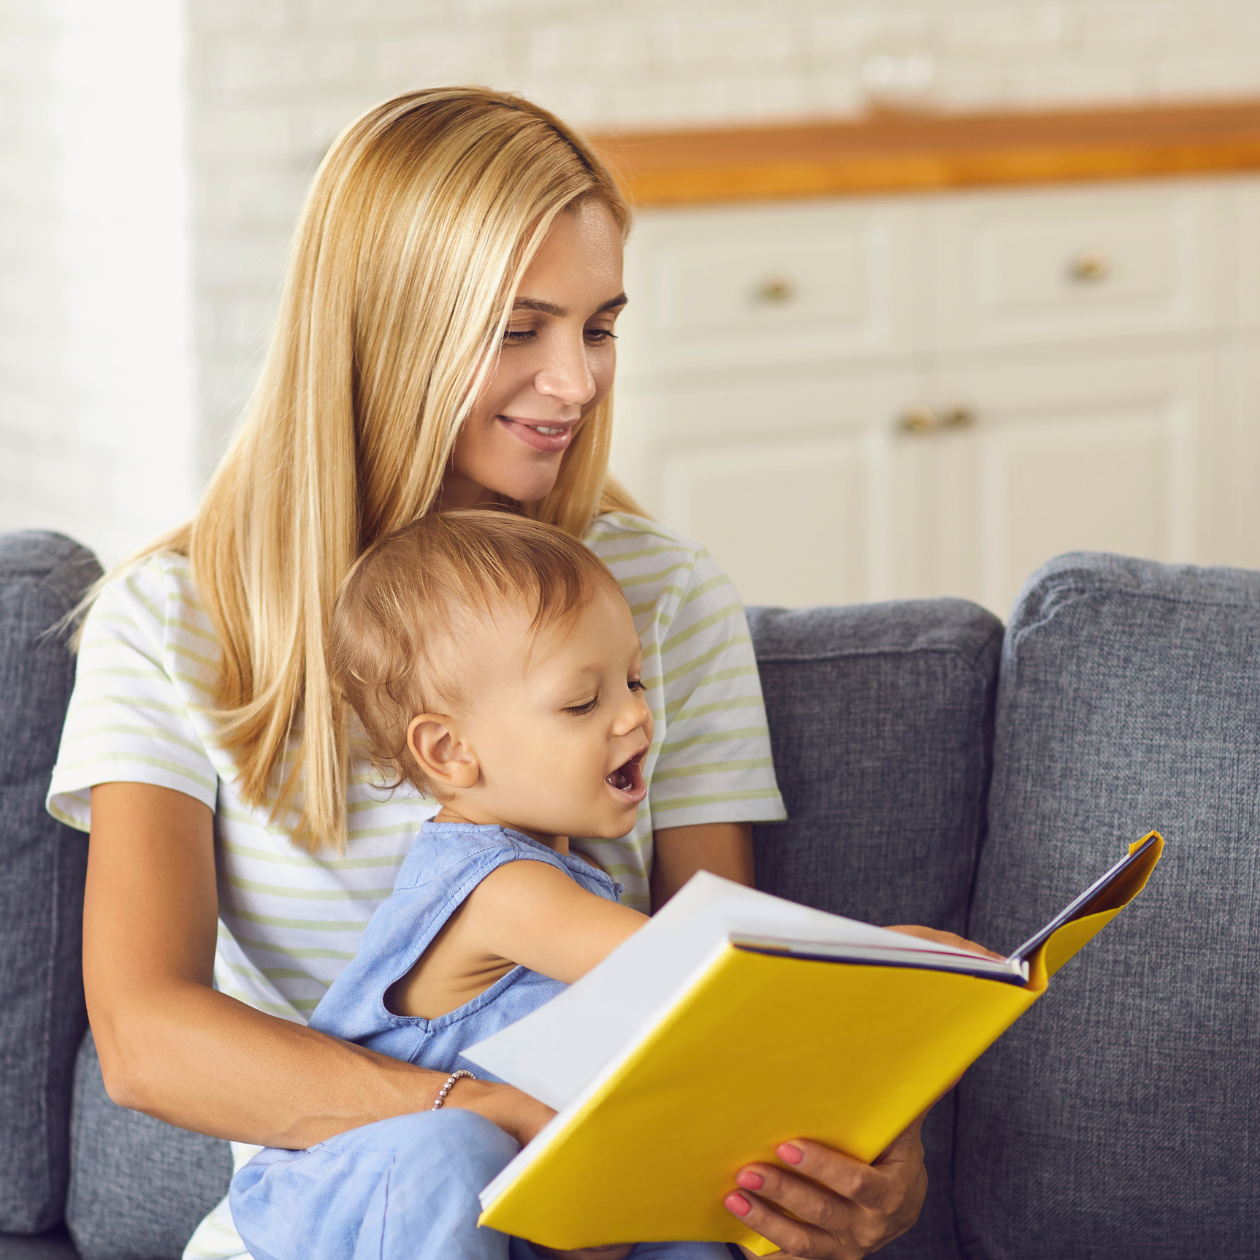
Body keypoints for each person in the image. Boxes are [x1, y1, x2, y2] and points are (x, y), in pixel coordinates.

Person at [48, 87, 930, 1260]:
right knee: (440, 1169)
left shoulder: (659, 596)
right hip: (351, 1215)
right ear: (383, 327)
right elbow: (148, 1038)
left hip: (593, 1210)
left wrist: (861, 1147)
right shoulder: (172, 620)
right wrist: (494, 1122)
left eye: (598, 326)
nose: (575, 382)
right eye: (518, 330)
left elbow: (708, 985)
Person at [228, 508, 724, 1259]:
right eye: (583, 702)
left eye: (634, 679)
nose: (637, 716)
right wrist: (878, 958)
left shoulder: (572, 886)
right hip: (348, 1194)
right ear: (451, 750)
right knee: (452, 1150)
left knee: (679, 1225)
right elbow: (698, 968)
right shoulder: (503, 889)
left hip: (487, 1208)